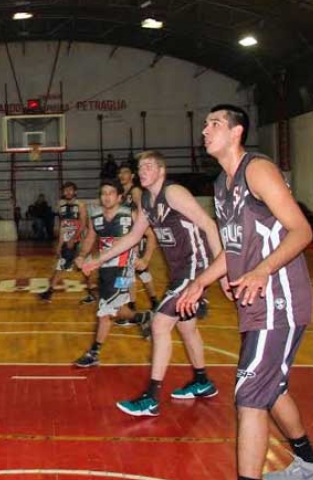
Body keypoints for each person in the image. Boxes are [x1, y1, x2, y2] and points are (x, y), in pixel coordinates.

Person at [176, 105, 313, 480]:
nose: (205, 130)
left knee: (249, 398)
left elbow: (301, 230)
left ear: (237, 132)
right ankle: (311, 465)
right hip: (254, 305)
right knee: (272, 388)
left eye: (214, 123)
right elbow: (232, 251)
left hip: (279, 300)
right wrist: (202, 282)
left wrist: (262, 269)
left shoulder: (257, 170)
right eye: (205, 124)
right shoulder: (220, 185)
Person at [81, 150, 221, 417]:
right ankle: (202, 380)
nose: (142, 170)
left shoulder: (173, 193)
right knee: (187, 328)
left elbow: (208, 224)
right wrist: (98, 259)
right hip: (179, 271)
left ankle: (151, 397)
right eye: (140, 167)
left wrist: (221, 270)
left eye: (148, 166)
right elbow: (133, 236)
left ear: (161, 171)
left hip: (195, 267)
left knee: (159, 324)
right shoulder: (147, 200)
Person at [73, 180, 153, 368]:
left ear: (119, 197)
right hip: (105, 269)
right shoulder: (97, 217)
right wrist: (82, 256)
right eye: (103, 193)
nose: (107, 196)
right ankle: (142, 317)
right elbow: (91, 238)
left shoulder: (130, 215)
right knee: (113, 310)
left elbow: (151, 235)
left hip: (125, 269)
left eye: (111, 193)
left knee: (105, 311)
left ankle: (94, 352)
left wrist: (146, 258)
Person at [116, 164, 160, 315]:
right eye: (120, 173)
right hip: (128, 235)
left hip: (136, 235)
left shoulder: (134, 191)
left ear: (132, 176)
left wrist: (139, 233)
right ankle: (154, 300)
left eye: (125, 172)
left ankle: (131, 305)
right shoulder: (121, 193)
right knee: (141, 271)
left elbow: (143, 211)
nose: (122, 175)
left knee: (128, 270)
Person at [38, 182, 91, 302]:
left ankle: (91, 293)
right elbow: (63, 225)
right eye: (65, 190)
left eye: (70, 190)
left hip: (79, 241)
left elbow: (83, 224)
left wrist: (74, 239)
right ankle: (48, 293)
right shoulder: (61, 205)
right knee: (61, 266)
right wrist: (60, 243)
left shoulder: (81, 205)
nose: (68, 192)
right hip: (67, 240)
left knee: (84, 268)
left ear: (75, 191)